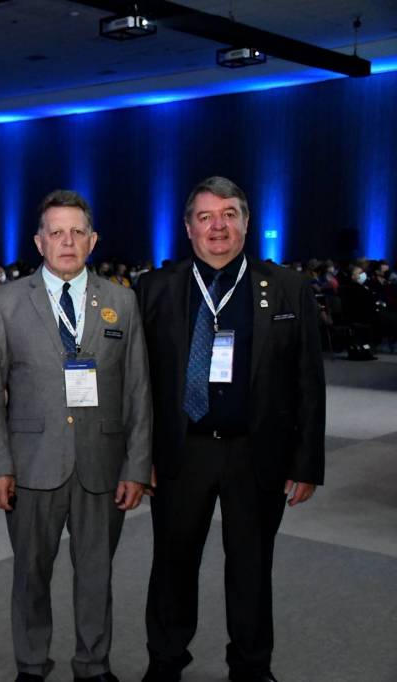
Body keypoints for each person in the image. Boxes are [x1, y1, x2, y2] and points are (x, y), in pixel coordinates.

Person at [134, 176, 325, 682]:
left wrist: (307, 462)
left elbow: (308, 380)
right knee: (172, 564)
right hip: (181, 451)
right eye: (205, 217)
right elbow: (138, 383)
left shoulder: (286, 287)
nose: (217, 227)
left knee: (251, 566)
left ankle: (251, 665)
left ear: (246, 221)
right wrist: (137, 457)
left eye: (229, 215)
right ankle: (166, 660)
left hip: (256, 451)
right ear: (188, 227)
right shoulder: (155, 288)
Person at [0, 189, 152, 682]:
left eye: (78, 232)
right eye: (56, 232)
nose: (68, 242)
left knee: (97, 575)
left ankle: (93, 665)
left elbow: (138, 389)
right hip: (30, 464)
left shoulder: (121, 300)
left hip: (102, 463)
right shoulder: (8, 300)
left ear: (93, 240)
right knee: (30, 576)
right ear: (40, 242)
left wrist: (137, 466)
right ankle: (31, 664)